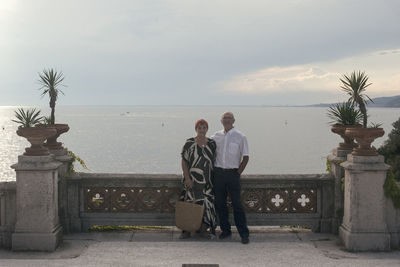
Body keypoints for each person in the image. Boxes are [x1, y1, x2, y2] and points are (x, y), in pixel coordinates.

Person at [212, 112, 250, 244]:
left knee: (237, 204)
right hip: (218, 174)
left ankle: (244, 234)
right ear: (221, 120)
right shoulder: (215, 136)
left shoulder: (240, 136)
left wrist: (237, 173)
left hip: (233, 174)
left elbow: (246, 157)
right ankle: (225, 231)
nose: (227, 120)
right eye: (225, 118)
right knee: (220, 204)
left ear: (233, 120)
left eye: (229, 118)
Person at [180, 119, 217, 239]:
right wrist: (187, 178)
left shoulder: (212, 143)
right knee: (189, 203)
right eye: (199, 127)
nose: (202, 130)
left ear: (207, 129)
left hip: (207, 182)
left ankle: (203, 229)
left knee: (206, 205)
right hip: (192, 180)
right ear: (196, 129)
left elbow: (215, 161)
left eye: (204, 127)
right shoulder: (189, 143)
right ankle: (187, 230)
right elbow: (184, 162)